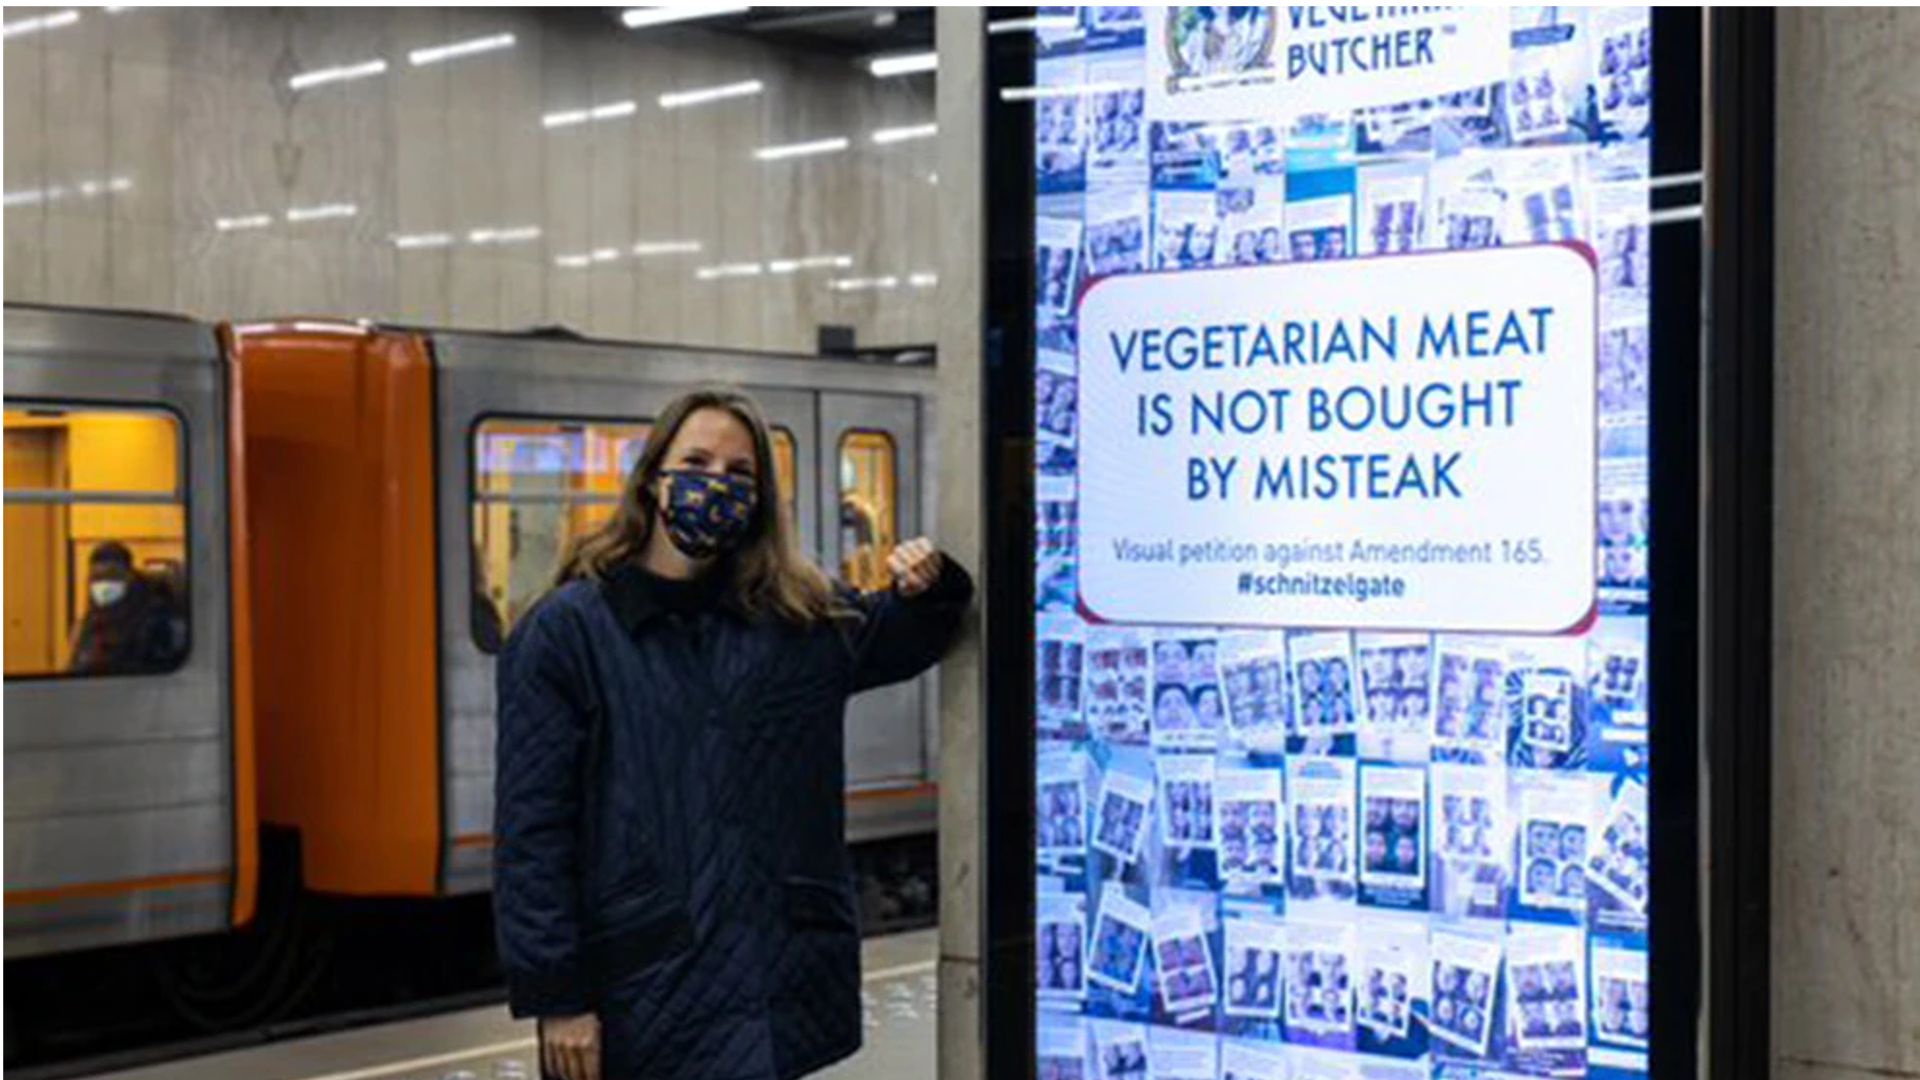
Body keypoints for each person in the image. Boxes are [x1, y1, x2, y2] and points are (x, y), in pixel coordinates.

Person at [492, 389, 972, 1080]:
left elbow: (904, 635)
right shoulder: (569, 633)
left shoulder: (792, 616)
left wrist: (930, 585)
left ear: (759, 498)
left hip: (773, 980)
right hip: (645, 984)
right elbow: (532, 833)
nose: (715, 484)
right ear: (655, 478)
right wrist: (557, 998)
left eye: (740, 474)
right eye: (696, 461)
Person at [67, 541, 182, 675]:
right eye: (97, 578)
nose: (104, 584)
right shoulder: (91, 620)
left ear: (129, 576)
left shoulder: (157, 618)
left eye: (113, 576)